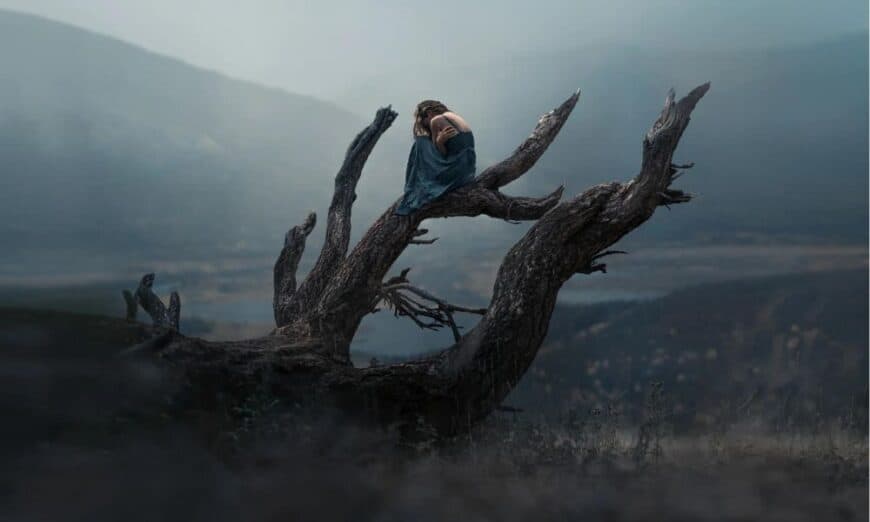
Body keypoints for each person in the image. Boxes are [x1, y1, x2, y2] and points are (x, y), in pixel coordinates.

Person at [394, 100, 476, 215]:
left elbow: (440, 153)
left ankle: (413, 188)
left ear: (428, 113)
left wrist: (439, 141)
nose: (426, 126)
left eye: (424, 122)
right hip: (467, 171)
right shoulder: (453, 117)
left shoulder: (436, 120)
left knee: (420, 142)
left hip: (455, 170)